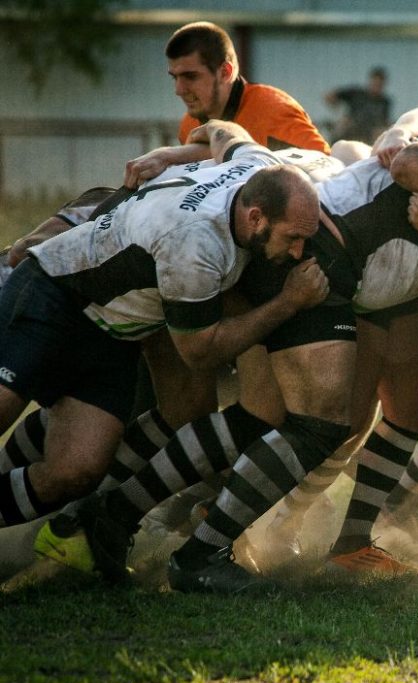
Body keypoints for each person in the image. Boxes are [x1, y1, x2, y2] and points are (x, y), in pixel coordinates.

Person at [0, 137, 328, 533]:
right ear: (256, 217)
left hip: (112, 335)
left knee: (76, 471)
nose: (298, 252)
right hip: (54, 293)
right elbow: (199, 354)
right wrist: (288, 303)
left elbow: (221, 130)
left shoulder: (257, 162)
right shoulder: (196, 243)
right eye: (292, 237)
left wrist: (169, 154)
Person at [169, 21, 329, 152]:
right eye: (175, 77)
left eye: (191, 76)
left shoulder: (274, 113)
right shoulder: (188, 127)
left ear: (225, 72)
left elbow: (325, 169)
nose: (179, 90)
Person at [323, 66, 393, 145]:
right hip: (348, 132)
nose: (376, 87)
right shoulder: (356, 94)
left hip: (368, 138)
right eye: (375, 83)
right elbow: (329, 97)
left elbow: (385, 122)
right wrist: (339, 114)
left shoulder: (385, 102)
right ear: (370, 81)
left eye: (379, 85)